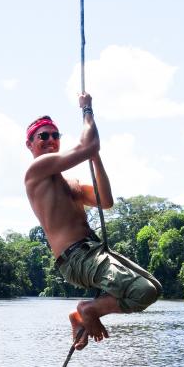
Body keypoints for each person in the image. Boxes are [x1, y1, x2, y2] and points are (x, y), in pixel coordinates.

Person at [24, 92, 161, 350]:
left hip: (92, 250)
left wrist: (95, 158)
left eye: (55, 135)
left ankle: (81, 316)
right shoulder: (36, 172)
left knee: (153, 287)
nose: (51, 139)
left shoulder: (70, 184)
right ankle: (89, 309)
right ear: (30, 144)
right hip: (76, 257)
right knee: (143, 291)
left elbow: (105, 200)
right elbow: (88, 145)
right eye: (43, 136)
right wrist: (87, 109)